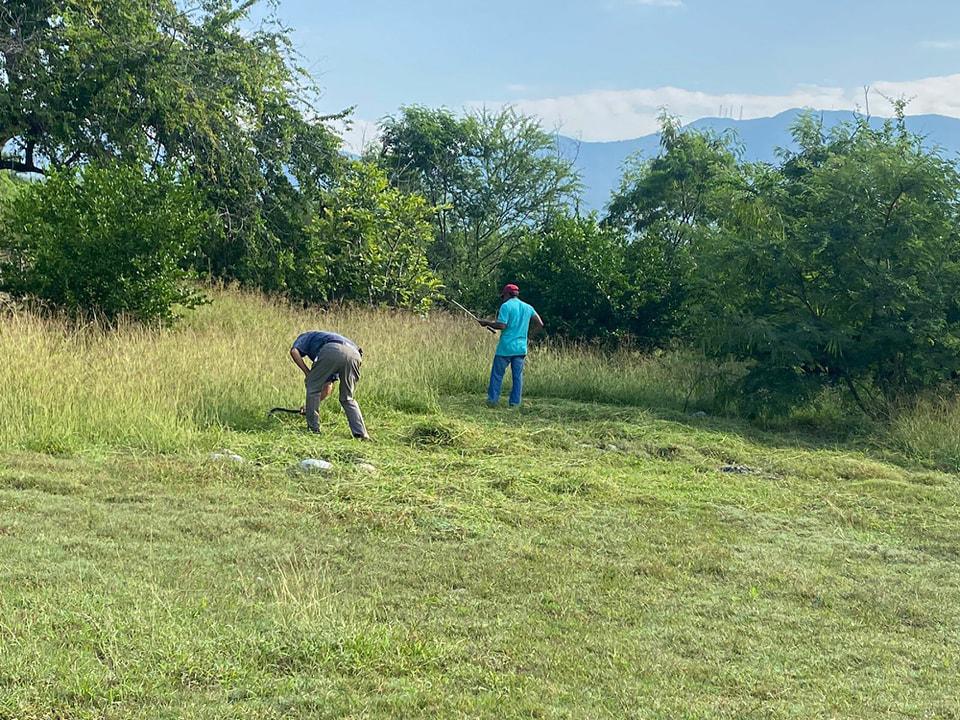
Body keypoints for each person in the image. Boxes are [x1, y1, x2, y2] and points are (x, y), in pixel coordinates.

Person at [289, 330, 370, 439]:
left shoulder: (305, 337)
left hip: (332, 350)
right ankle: (361, 434)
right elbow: (327, 387)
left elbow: (294, 351)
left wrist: (308, 373)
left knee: (312, 386)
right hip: (355, 355)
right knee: (347, 397)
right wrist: (308, 407)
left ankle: (313, 430)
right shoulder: (325, 339)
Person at [478, 283, 543, 407]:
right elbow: (540, 323)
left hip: (506, 348)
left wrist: (487, 323)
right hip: (521, 348)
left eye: (503, 296)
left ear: (507, 294)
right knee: (517, 377)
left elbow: (502, 325)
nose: (503, 298)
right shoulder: (528, 307)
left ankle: (492, 401)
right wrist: (530, 337)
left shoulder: (506, 306)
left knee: (497, 375)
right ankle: (515, 403)